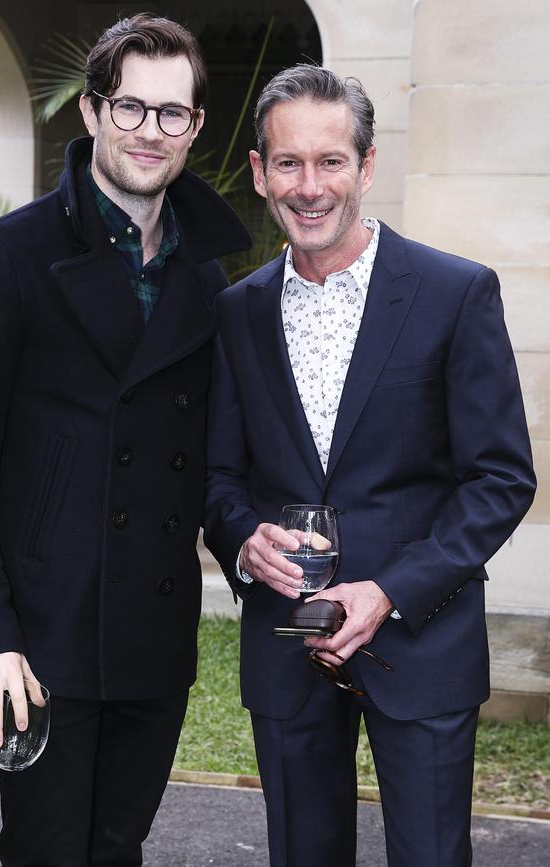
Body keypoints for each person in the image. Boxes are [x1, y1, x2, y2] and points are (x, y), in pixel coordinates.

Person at [0, 13, 249, 867]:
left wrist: (253, 542)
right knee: (44, 850)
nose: (150, 131)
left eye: (171, 113)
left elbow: (213, 455)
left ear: (196, 127)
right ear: (94, 112)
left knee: (117, 849)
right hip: (38, 639)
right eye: (130, 107)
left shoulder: (204, 273)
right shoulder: (4, 258)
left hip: (153, 634)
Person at [203, 64, 536, 867]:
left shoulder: (454, 292)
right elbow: (217, 479)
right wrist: (244, 539)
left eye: (330, 161)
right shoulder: (237, 310)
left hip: (421, 642)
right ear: (259, 172)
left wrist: (391, 589)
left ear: (368, 165)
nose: (309, 185)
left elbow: (500, 478)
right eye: (288, 163)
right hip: (287, 644)